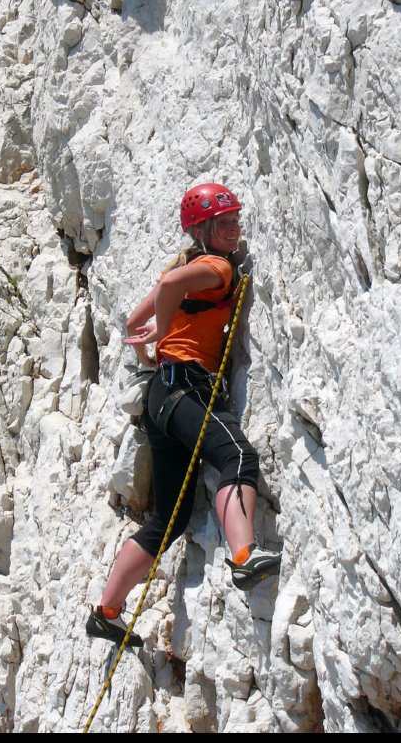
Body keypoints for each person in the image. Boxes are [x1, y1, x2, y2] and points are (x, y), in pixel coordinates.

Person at [86, 183, 282, 647]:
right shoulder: (215, 266)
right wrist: (165, 337)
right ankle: (244, 556)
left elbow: (136, 320)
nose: (235, 228)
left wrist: (161, 334)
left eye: (236, 219)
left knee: (167, 521)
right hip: (187, 388)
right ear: (205, 230)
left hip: (162, 396)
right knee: (236, 457)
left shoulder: (186, 265)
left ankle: (107, 612)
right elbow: (167, 295)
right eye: (226, 222)